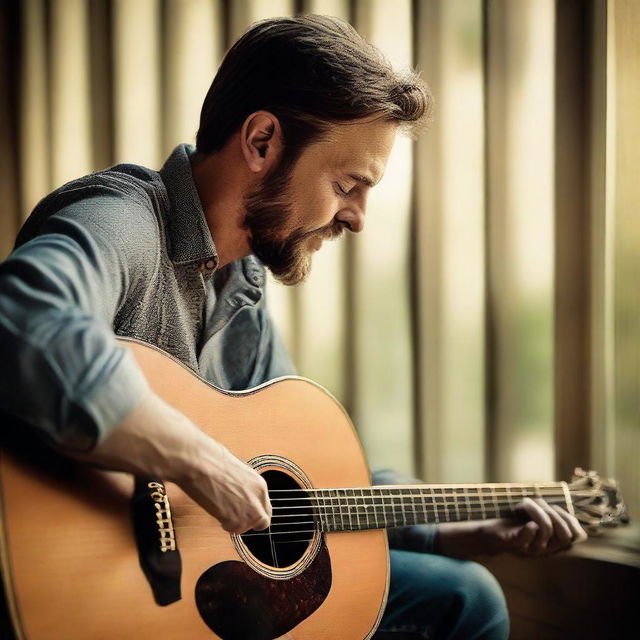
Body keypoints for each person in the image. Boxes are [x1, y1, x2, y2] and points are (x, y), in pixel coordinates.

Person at [0, 14, 586, 640]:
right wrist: (203, 463)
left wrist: (458, 529)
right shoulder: (124, 220)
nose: (357, 218)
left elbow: (307, 478)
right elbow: (24, 321)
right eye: (347, 184)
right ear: (261, 141)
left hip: (201, 595)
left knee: (463, 597)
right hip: (80, 590)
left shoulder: (243, 288)